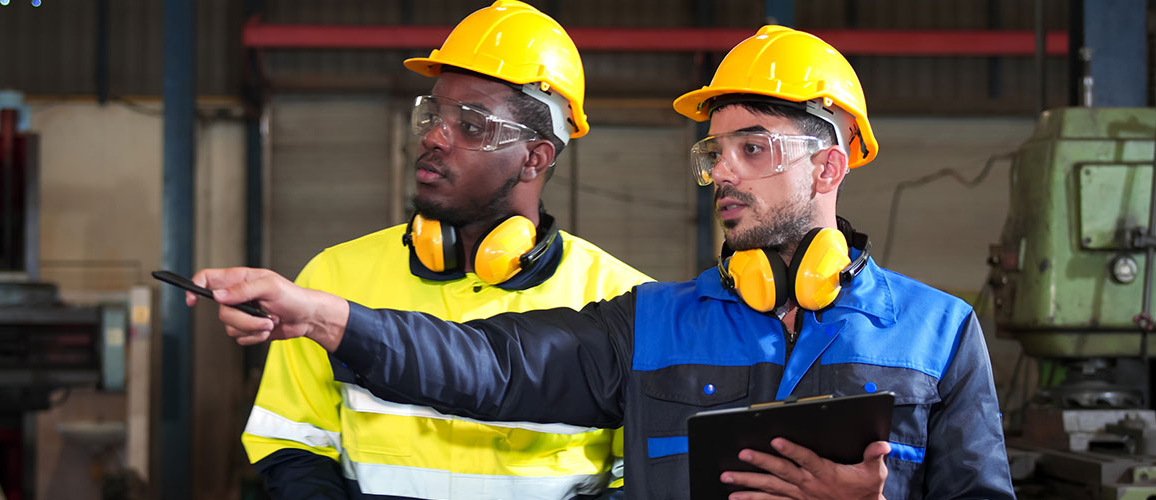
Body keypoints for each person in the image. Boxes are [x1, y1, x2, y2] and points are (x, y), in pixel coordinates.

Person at [196, 26, 1014, 499]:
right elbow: (485, 363)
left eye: (751, 148)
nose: (719, 172)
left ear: (828, 167)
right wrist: (322, 315)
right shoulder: (648, 321)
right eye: (713, 152)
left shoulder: (941, 332)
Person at [235, 1, 651, 498]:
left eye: (471, 125)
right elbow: (293, 445)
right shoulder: (332, 278)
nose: (434, 136)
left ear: (534, 158)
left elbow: (642, 475)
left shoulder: (622, 303)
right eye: (433, 114)